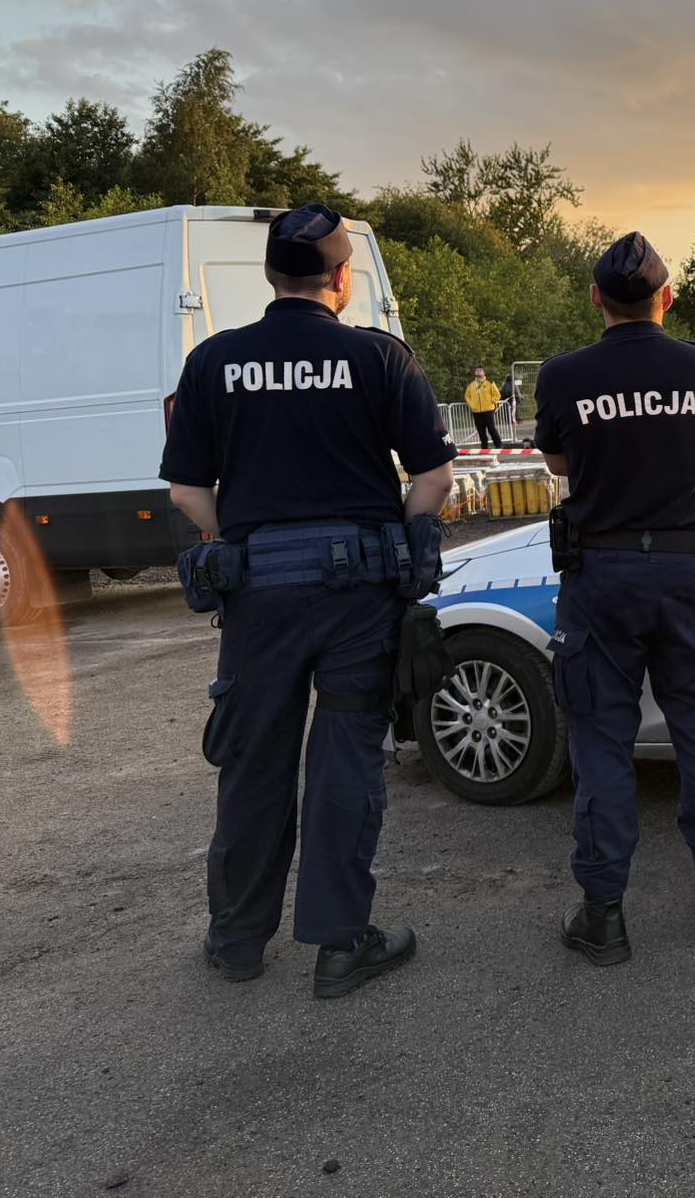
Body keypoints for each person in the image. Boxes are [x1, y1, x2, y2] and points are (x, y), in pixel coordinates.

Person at [161, 204, 456, 999]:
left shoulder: (215, 361)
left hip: (258, 598)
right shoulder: (379, 358)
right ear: (341, 278)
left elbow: (188, 489)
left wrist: (249, 540)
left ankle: (237, 942)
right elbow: (432, 479)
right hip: (360, 597)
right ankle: (339, 944)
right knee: (345, 759)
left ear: (269, 275)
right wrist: (398, 538)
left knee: (254, 760)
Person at [533, 231, 695, 960]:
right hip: (690, 578)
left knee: (600, 742)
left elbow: (561, 461)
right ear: (668, 297)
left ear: (595, 298)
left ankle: (603, 914)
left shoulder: (562, 377)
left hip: (602, 580)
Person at [464, 367, 504, 450]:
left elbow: (497, 395)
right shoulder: (471, 385)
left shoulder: (489, 383)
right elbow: (467, 396)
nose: (478, 372)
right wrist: (471, 404)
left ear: (484, 372)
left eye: (480, 370)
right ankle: (484, 447)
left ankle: (498, 445)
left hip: (488, 410)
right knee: (480, 430)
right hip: (476, 411)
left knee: (491, 428)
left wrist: (492, 401)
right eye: (477, 370)